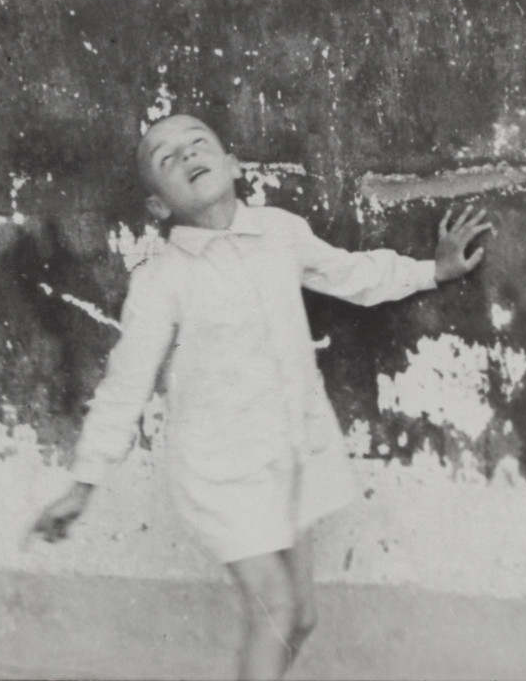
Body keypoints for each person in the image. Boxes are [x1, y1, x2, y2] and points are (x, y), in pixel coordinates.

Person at [31, 113, 493, 679]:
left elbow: (353, 275)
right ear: (158, 206)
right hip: (220, 469)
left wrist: (433, 271)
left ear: (232, 164)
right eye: (166, 159)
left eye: (199, 144)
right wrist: (83, 486)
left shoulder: (281, 231)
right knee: (275, 608)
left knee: (300, 618)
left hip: (289, 453)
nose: (188, 156)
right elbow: (123, 388)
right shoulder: (161, 281)